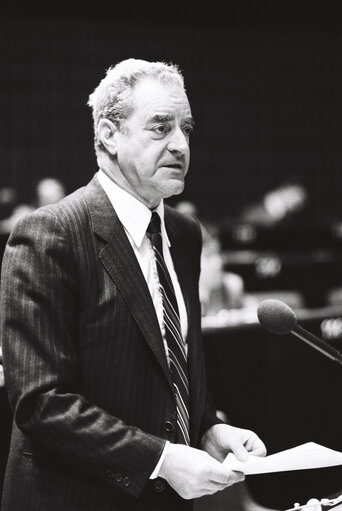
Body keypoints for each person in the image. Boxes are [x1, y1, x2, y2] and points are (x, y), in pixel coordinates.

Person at [0, 58, 266, 511]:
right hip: (73, 498)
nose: (180, 144)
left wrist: (207, 427)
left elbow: (172, 365)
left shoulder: (184, 234)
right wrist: (161, 459)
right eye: (160, 128)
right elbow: (41, 402)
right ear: (108, 133)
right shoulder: (50, 234)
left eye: (187, 128)